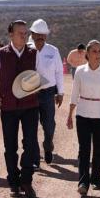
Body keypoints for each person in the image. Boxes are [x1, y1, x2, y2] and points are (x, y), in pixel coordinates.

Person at [0, 20, 43, 198]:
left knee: (30, 144)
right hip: (9, 107)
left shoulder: (34, 53)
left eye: (26, 33)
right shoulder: (0, 54)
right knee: (10, 146)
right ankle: (13, 181)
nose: (24, 36)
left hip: (30, 106)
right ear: (11, 35)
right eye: (20, 33)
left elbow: (41, 77)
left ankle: (26, 180)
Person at [67, 40, 100, 196]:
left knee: (99, 149)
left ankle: (96, 177)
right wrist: (69, 115)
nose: (98, 54)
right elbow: (74, 95)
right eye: (94, 51)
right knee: (84, 149)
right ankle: (83, 182)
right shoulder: (80, 71)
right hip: (83, 115)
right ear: (87, 54)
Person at [28, 19, 65, 167]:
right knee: (31, 126)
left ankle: (48, 145)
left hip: (48, 93)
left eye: (43, 34)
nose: (40, 37)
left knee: (49, 125)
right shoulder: (26, 49)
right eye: (37, 34)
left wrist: (60, 92)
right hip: (31, 93)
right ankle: (35, 158)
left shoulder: (53, 50)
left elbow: (58, 72)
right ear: (32, 34)